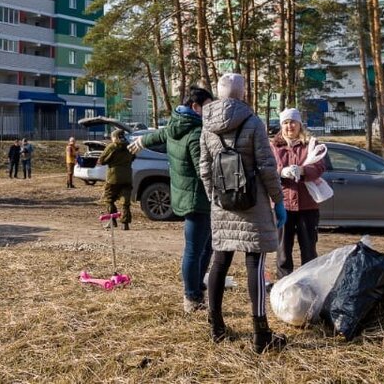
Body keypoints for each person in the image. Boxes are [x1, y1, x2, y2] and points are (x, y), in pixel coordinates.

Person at [199, 73, 287, 353]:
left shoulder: (207, 125)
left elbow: (204, 167)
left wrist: (215, 196)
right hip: (253, 203)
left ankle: (215, 327)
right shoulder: (252, 121)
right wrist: (278, 200)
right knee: (255, 265)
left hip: (222, 203)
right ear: (242, 92)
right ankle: (261, 335)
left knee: (219, 263)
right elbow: (266, 166)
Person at [131, 86, 214, 312]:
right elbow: (203, 171)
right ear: (194, 107)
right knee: (196, 250)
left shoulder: (177, 124)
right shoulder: (196, 133)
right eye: (208, 107)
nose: (211, 111)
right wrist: (220, 193)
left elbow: (161, 135)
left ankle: (196, 288)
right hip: (198, 198)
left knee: (204, 247)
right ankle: (192, 297)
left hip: (184, 195)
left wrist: (142, 141)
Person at [270, 108, 325, 280]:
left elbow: (319, 167)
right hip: (282, 205)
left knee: (309, 249)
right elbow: (265, 169)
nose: (289, 126)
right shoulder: (273, 146)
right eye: (285, 123)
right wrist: (281, 171)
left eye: (293, 122)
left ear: (300, 124)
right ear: (281, 126)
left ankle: (309, 283)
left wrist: (302, 170)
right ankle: (284, 285)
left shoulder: (311, 144)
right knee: (283, 251)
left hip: (307, 205)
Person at [98, 128, 134, 230]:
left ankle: (112, 221)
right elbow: (134, 157)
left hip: (113, 177)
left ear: (115, 137)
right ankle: (125, 224)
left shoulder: (112, 147)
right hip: (127, 176)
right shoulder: (129, 146)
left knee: (109, 199)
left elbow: (101, 160)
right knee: (125, 201)